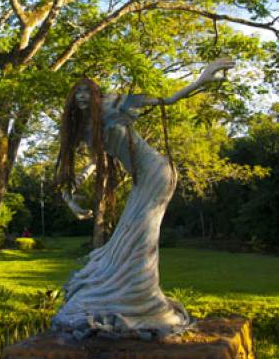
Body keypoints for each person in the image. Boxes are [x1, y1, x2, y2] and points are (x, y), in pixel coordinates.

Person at [52, 58, 234, 338]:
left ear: (97, 95)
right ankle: (129, 298)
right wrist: (71, 193)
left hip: (155, 171)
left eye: (88, 92)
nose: (83, 97)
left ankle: (137, 301)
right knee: (129, 239)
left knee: (138, 238)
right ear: (72, 100)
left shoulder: (115, 105)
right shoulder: (86, 130)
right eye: (78, 94)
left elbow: (168, 100)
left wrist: (202, 79)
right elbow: (94, 161)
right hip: (142, 179)